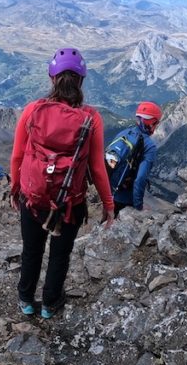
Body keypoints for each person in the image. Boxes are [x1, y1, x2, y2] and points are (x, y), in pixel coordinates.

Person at [9, 47, 114, 319]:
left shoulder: (32, 110)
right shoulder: (91, 119)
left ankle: (26, 299)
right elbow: (97, 168)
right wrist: (108, 203)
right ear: (81, 81)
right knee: (60, 255)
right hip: (70, 202)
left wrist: (15, 189)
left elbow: (18, 155)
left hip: (32, 199)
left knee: (31, 250)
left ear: (51, 78)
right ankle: (50, 303)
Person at [111, 102, 161, 217]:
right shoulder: (149, 146)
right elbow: (140, 179)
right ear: (152, 123)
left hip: (110, 192)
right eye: (156, 123)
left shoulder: (124, 133)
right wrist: (139, 205)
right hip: (125, 198)